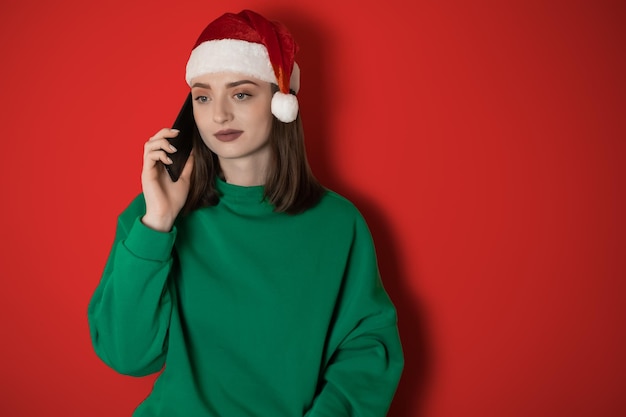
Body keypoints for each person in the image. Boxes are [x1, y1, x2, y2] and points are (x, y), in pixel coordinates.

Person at [88, 9, 403, 417]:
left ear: (280, 101)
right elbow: (126, 356)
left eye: (240, 93)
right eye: (202, 96)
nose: (218, 114)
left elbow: (367, 351)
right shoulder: (152, 216)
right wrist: (158, 223)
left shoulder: (338, 224)